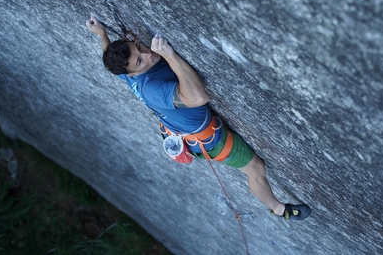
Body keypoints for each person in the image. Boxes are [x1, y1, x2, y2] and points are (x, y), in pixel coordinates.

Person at [86, 16, 311, 220]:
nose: (147, 54)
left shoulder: (127, 73)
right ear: (133, 73)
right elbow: (198, 97)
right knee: (256, 168)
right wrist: (169, 55)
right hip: (209, 140)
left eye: (138, 47)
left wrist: (102, 35)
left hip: (181, 128)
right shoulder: (152, 89)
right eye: (139, 61)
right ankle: (281, 209)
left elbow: (113, 63)